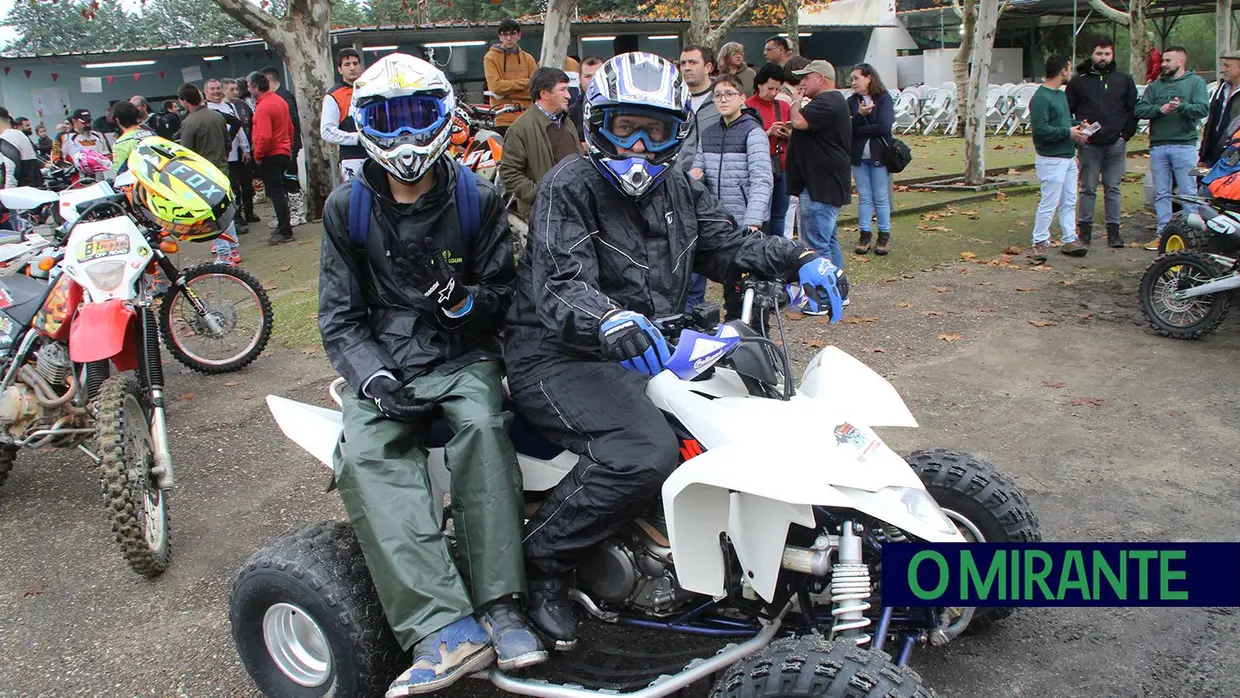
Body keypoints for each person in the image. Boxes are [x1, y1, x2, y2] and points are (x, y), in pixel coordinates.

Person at [503, 52, 842, 650]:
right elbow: (560, 283)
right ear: (595, 125)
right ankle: (541, 564)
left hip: (647, 346)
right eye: (624, 127)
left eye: (655, 130)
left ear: (676, 132)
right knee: (644, 452)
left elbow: (731, 242)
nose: (637, 146)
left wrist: (803, 259)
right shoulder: (568, 186)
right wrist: (608, 320)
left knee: (748, 410)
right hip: (558, 355)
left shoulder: (680, 193)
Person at [318, 52, 545, 697]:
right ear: (365, 123)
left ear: (444, 116)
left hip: (459, 353)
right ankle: (442, 626)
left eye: (418, 114)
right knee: (364, 456)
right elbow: (339, 317)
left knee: (483, 430)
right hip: (385, 358)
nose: (405, 134)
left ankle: (501, 605)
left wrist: (466, 301)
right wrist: (371, 376)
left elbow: (506, 297)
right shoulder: (346, 208)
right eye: (388, 118)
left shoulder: (477, 197)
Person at [691, 74, 773, 319]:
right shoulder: (708, 133)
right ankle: (734, 327)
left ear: (742, 98)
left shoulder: (753, 132)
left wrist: (753, 220)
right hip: (719, 221)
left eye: (729, 94)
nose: (723, 99)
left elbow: (762, 179)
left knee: (751, 285)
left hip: (746, 221)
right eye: (717, 95)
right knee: (730, 282)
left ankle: (755, 332)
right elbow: (698, 170)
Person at [786, 60, 853, 306]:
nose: (801, 83)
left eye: (806, 77)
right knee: (828, 240)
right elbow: (808, 132)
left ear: (820, 78)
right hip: (824, 183)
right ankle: (839, 292)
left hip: (819, 185)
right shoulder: (832, 103)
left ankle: (824, 297)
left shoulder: (828, 100)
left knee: (815, 244)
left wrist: (794, 100)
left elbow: (799, 122)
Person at [1135, 46, 1211, 249]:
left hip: (1184, 145)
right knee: (1161, 193)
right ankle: (1164, 233)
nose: (1163, 64)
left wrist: (1182, 107)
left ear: (1181, 62)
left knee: (1188, 192)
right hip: (1158, 145)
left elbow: (1203, 108)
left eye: (1168, 60)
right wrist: (1160, 109)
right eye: (1163, 60)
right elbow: (1140, 109)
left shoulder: (1195, 83)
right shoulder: (1155, 86)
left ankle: (1192, 236)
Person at [1065, 38, 1138, 249]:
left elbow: (1133, 109)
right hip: (1089, 143)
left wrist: (1125, 135)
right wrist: (1078, 130)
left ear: (1112, 55)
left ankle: (1114, 232)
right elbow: (1067, 110)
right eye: (1099, 54)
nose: (1103, 58)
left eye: (1107, 54)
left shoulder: (1124, 79)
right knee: (1087, 188)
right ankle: (1085, 231)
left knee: (1113, 188)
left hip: (1116, 142)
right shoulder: (1079, 81)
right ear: (1092, 55)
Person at [1029, 55, 1089, 261]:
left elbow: (1061, 120)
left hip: (1067, 155)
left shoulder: (1059, 95)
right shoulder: (1041, 97)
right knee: (1050, 201)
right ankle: (1039, 241)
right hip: (1051, 157)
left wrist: (1078, 125)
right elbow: (1041, 130)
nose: (1071, 73)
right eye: (1069, 69)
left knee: (1070, 199)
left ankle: (1069, 238)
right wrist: (1068, 132)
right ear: (1063, 70)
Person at [498, 67, 580, 219]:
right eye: (562, 90)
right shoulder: (520, 129)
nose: (569, 96)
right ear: (544, 94)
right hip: (543, 216)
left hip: (574, 210)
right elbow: (509, 175)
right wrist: (543, 196)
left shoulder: (567, 123)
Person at [677, 44, 721, 312]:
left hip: (710, 192)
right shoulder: (674, 99)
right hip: (675, 187)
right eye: (683, 63)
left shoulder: (721, 99)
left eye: (692, 62)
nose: (686, 68)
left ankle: (695, 311)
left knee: (703, 252)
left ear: (708, 67)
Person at [179, 82, 240, 266]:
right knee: (226, 211)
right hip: (222, 168)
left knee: (214, 217)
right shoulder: (217, 117)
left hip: (204, 175)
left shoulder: (189, 123)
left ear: (183, 100)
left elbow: (185, 155)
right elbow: (228, 143)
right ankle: (233, 247)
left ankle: (224, 254)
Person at [847, 63, 895, 256]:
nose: (853, 83)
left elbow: (884, 126)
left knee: (881, 197)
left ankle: (884, 235)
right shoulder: (851, 101)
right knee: (864, 197)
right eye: (852, 79)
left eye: (856, 78)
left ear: (868, 78)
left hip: (879, 155)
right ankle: (865, 234)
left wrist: (860, 129)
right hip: (858, 156)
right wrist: (859, 116)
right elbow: (848, 127)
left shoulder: (883, 98)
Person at [249, 70, 295, 245]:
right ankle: (284, 226)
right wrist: (288, 146)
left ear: (255, 87)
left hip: (271, 153)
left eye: (249, 87)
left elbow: (264, 136)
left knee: (276, 194)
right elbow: (290, 127)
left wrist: (258, 155)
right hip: (282, 151)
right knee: (280, 192)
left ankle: (284, 230)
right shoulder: (279, 101)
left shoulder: (263, 107)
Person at [746, 64, 792, 239]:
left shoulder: (783, 107)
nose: (773, 93)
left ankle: (778, 248)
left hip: (782, 165)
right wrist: (766, 134)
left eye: (777, 89)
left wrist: (787, 134)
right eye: (770, 88)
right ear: (759, 84)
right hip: (760, 166)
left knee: (780, 213)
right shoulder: (747, 106)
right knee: (762, 214)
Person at [205, 78, 252, 236]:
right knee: (226, 189)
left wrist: (245, 148)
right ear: (206, 92)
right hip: (218, 157)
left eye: (218, 88)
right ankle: (231, 220)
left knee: (237, 188)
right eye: (212, 89)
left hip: (234, 155)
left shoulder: (230, 106)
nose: (216, 91)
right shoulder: (206, 109)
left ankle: (240, 215)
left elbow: (238, 128)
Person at [262, 66, 306, 226]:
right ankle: (288, 214)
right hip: (283, 147)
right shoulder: (275, 97)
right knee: (282, 181)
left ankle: (298, 213)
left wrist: (291, 144)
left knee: (290, 179)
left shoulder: (284, 97)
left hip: (288, 146)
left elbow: (293, 120)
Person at [483, 19, 538, 132]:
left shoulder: (528, 59)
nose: (509, 38)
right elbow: (495, 87)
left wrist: (506, 92)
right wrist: (526, 82)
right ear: (500, 37)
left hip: (528, 118)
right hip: (503, 120)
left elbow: (535, 89)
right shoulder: (490, 57)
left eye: (512, 33)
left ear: (519, 35)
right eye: (505, 34)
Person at [322, 47, 367, 181]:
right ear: (340, 69)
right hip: (352, 158)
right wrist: (357, 138)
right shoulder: (333, 96)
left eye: (355, 63)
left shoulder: (371, 90)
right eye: (347, 64)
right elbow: (327, 131)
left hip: (377, 156)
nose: (352, 68)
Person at [779, 55, 811, 241]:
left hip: (795, 155)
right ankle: (789, 240)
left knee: (796, 201)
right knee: (792, 201)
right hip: (790, 155)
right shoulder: (786, 97)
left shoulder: (793, 95)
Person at [223, 77, 260, 226]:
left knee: (247, 183)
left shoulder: (242, 105)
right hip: (229, 153)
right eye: (231, 89)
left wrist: (247, 147)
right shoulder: (220, 107)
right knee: (234, 185)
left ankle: (249, 211)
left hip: (242, 149)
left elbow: (245, 128)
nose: (235, 92)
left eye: (236, 89)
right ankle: (237, 214)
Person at [1200, 49, 1240, 169]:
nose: (1223, 69)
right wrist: (1204, 155)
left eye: (1227, 66)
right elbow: (1211, 123)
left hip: (1235, 157)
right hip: (1213, 156)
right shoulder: (1222, 89)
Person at [109, 100, 154, 175]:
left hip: (139, 183)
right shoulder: (152, 134)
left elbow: (121, 175)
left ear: (117, 120)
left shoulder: (120, 144)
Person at [0, 107, 41, 188]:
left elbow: (12, 168)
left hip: (22, 190)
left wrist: (9, 193)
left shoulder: (7, 137)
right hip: (32, 186)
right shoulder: (18, 134)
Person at [568, 56, 604, 144]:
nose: (593, 80)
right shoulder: (572, 111)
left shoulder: (620, 105)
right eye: (588, 76)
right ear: (580, 79)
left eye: (597, 75)